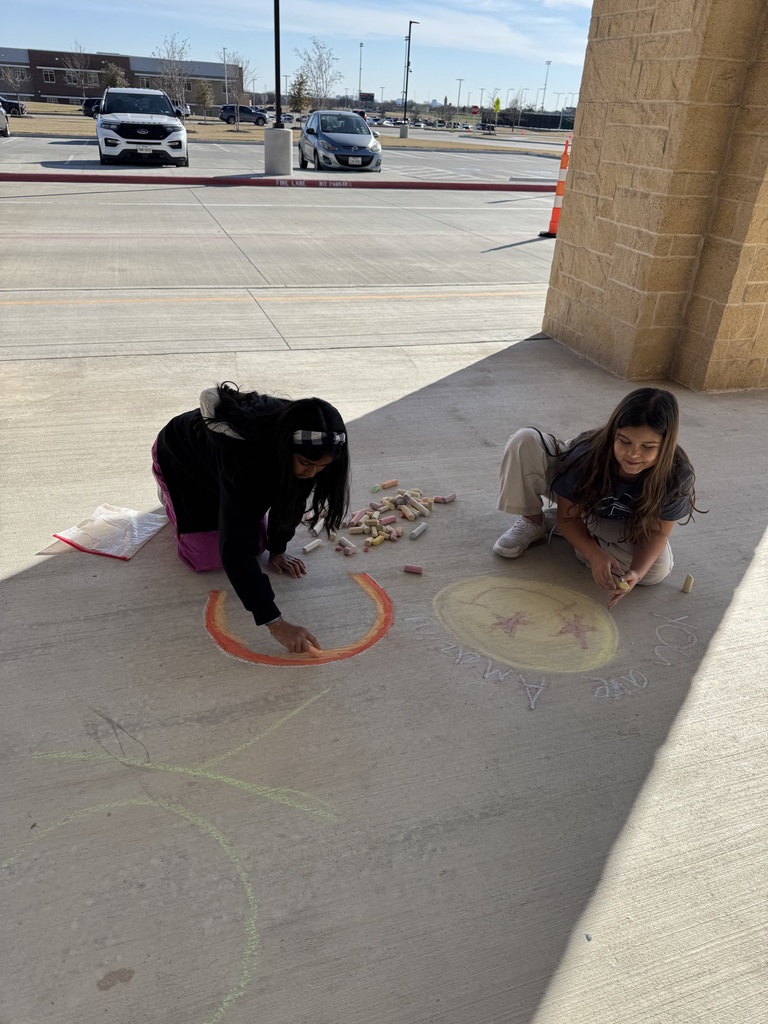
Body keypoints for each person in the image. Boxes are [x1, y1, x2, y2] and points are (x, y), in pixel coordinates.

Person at [152, 383, 349, 652]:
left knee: (257, 544)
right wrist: (275, 623)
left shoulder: (314, 446)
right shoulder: (248, 462)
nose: (312, 474)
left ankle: (223, 500)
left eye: (321, 467)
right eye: (306, 464)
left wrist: (277, 549)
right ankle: (168, 492)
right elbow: (234, 550)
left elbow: (293, 496)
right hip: (182, 459)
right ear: (285, 449)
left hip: (227, 470)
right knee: (207, 557)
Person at [493, 388, 701, 609]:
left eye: (647, 447)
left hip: (619, 518)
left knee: (654, 572)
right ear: (613, 433)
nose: (633, 454)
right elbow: (569, 517)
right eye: (624, 441)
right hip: (576, 496)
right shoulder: (587, 454)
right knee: (524, 440)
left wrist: (636, 572)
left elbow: (657, 532)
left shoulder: (677, 473)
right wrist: (593, 554)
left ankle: (572, 530)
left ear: (667, 446)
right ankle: (534, 522)